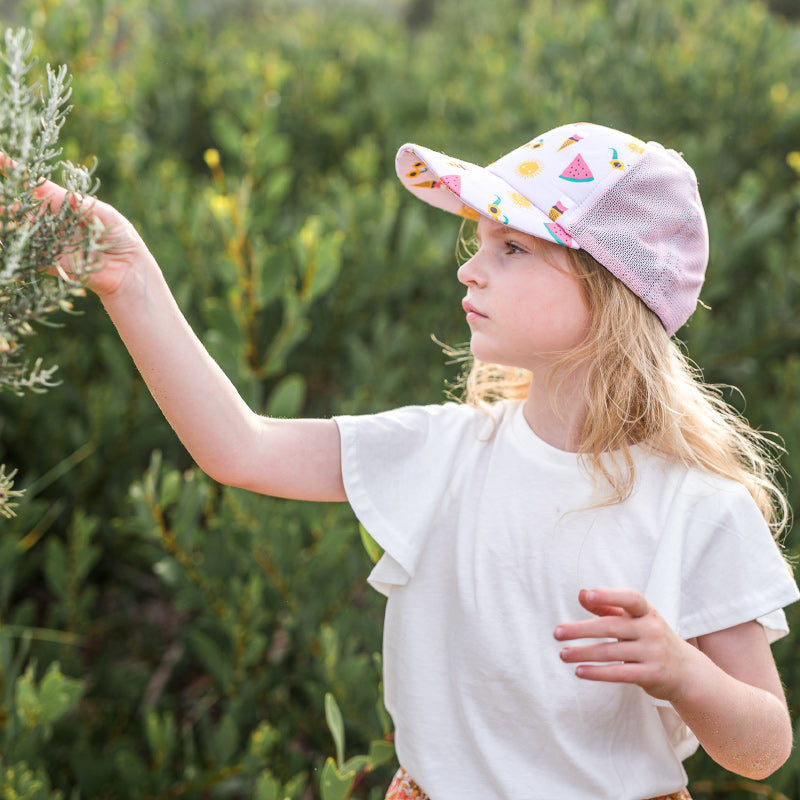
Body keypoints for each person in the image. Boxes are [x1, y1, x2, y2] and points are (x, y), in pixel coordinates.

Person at [21, 121, 800, 799]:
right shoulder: (443, 453)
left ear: (612, 288)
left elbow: (764, 751)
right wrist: (128, 280)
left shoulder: (700, 506)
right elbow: (240, 448)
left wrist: (681, 673)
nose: (470, 268)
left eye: (513, 247)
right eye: (479, 245)